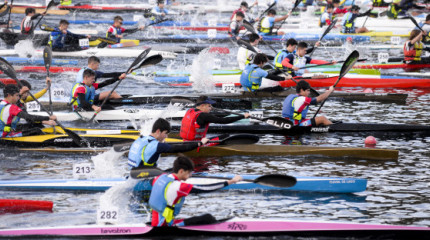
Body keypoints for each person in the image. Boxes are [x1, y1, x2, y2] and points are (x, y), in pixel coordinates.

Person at [149, 156, 242, 226]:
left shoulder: (159, 178)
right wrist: (230, 182)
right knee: (208, 217)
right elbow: (204, 189)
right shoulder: (178, 186)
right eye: (189, 173)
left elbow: (151, 181)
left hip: (156, 221)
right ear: (181, 171)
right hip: (166, 225)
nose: (190, 175)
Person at [128, 118, 209, 168]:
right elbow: (178, 148)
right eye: (165, 133)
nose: (166, 136)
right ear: (158, 131)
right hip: (143, 179)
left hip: (132, 175)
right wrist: (200, 143)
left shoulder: (140, 139)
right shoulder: (156, 146)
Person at [180, 96, 250, 141]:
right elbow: (224, 121)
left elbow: (215, 118)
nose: (211, 108)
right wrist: (243, 116)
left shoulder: (190, 110)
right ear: (202, 106)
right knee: (226, 136)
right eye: (209, 106)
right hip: (198, 143)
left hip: (186, 140)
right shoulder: (204, 116)